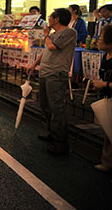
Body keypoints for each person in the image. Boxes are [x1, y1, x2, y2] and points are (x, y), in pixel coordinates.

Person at [27, 8, 77, 155]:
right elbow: (45, 50)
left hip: (56, 74)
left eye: (50, 17)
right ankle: (53, 135)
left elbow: (51, 47)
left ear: (57, 19)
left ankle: (61, 143)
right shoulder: (54, 34)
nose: (48, 19)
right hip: (45, 72)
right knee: (45, 105)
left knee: (56, 108)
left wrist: (47, 35)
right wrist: (34, 64)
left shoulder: (69, 32)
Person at [91, 24, 112, 172]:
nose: (98, 40)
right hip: (107, 99)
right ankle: (107, 162)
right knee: (107, 131)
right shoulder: (106, 56)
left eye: (102, 38)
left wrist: (104, 84)